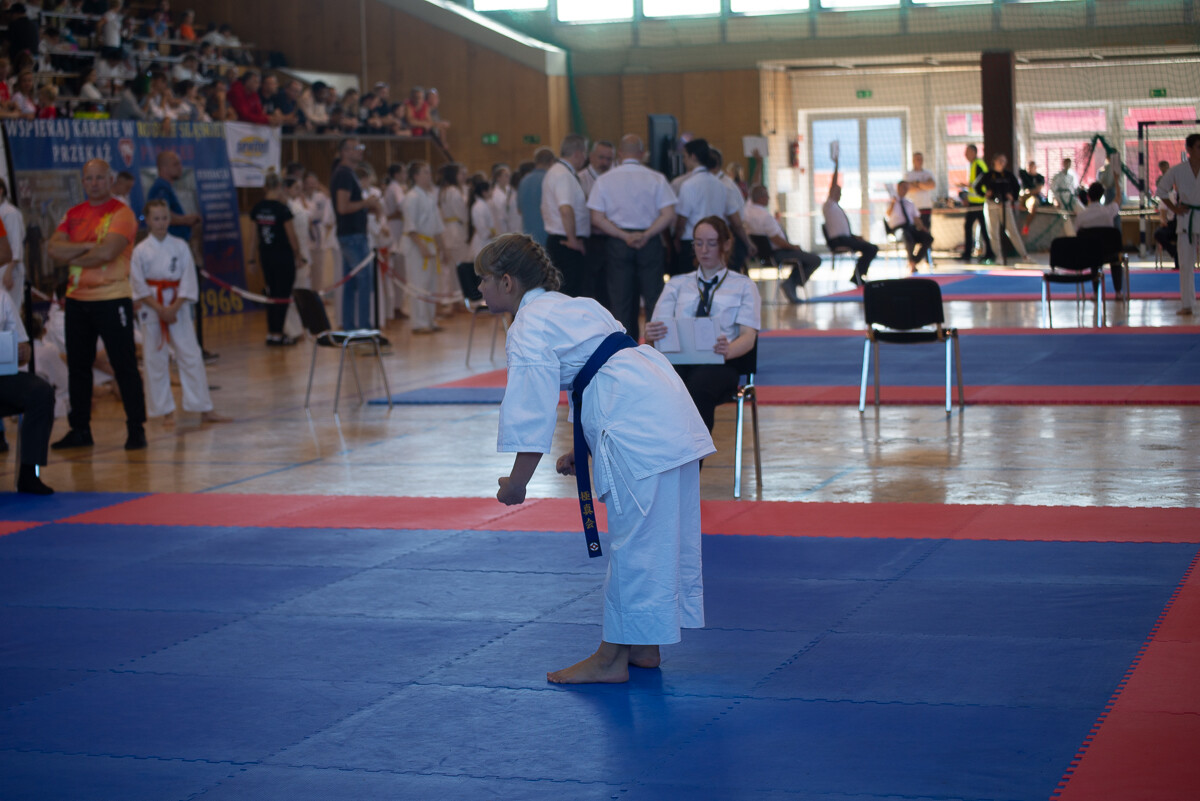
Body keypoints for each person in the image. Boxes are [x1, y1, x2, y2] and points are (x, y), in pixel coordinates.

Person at [476, 232, 714, 684]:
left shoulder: (528, 326)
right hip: (660, 407)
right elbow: (599, 369)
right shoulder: (576, 305)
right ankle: (644, 645)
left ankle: (610, 659)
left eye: (483, 279)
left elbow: (533, 408)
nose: (480, 289)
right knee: (659, 532)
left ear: (506, 281)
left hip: (637, 423)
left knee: (636, 535)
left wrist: (516, 483)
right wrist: (582, 449)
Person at [47, 159, 147, 451]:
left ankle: (135, 428)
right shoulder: (73, 213)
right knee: (78, 366)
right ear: (83, 181)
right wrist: (88, 247)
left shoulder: (122, 214)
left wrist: (73, 254)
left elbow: (107, 253)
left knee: (124, 363)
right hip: (77, 301)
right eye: (88, 178)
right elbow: (52, 248)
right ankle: (80, 429)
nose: (93, 183)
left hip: (112, 297)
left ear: (110, 179)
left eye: (99, 178)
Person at [645, 216, 761, 434]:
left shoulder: (743, 286)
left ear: (726, 245)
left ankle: (691, 460)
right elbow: (658, 330)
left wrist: (729, 350)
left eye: (711, 243)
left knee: (698, 385)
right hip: (680, 360)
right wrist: (650, 334)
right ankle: (664, 451)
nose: (704, 250)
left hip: (721, 364)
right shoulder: (677, 284)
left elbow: (748, 337)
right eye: (698, 243)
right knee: (661, 381)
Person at [130, 200, 227, 426]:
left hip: (178, 306)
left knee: (191, 355)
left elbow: (188, 279)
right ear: (148, 220)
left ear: (170, 220)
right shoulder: (140, 251)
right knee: (155, 360)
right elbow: (138, 285)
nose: (161, 223)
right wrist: (160, 309)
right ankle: (165, 411)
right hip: (151, 307)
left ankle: (204, 408)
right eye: (156, 218)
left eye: (165, 218)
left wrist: (173, 307)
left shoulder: (180, 245)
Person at [587, 134, 677, 339]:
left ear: (620, 153)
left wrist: (623, 235)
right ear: (642, 153)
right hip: (650, 240)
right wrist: (647, 234)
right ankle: (658, 349)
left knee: (621, 301)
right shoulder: (656, 178)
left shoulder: (604, 180)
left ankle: (626, 350)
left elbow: (596, 218)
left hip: (618, 242)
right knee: (654, 298)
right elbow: (669, 214)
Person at [0, 287, 56, 494]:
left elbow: (24, 351)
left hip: (2, 376)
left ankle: (29, 473)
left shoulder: (2, 297)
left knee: (40, 392)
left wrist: (23, 350)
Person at [331, 136, 382, 330]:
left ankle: (351, 328)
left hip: (351, 234)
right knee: (364, 282)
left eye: (361, 147)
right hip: (352, 236)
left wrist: (367, 208)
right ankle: (364, 329)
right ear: (344, 152)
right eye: (355, 147)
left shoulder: (348, 173)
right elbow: (343, 207)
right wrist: (366, 203)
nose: (360, 150)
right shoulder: (344, 174)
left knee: (351, 283)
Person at [247, 172, 303, 345]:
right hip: (283, 258)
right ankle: (278, 334)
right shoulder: (282, 209)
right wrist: (298, 255)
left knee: (271, 295)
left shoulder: (257, 208)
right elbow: (291, 235)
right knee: (282, 295)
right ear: (279, 187)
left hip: (266, 257)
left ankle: (272, 333)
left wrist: (251, 260)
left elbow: (253, 237)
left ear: (265, 187)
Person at [673, 139, 741, 277]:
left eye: (685, 157)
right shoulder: (720, 184)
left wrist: (676, 239)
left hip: (692, 241)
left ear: (693, 157)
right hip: (716, 240)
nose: (684, 161)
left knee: (692, 283)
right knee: (713, 278)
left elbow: (682, 218)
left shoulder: (689, 185)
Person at [743, 185, 820, 302]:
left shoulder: (747, 211)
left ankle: (791, 283)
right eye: (767, 195)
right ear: (761, 198)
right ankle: (791, 283)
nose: (769, 198)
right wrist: (792, 247)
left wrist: (758, 166)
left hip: (763, 254)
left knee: (805, 257)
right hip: (777, 253)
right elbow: (776, 239)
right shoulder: (764, 216)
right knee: (814, 259)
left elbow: (755, 183)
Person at [541, 133, 592, 298]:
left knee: (566, 292)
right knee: (570, 294)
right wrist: (573, 240)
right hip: (566, 243)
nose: (585, 157)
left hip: (561, 241)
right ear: (577, 153)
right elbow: (565, 209)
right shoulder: (562, 174)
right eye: (585, 153)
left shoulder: (557, 171)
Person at [401, 161, 447, 334]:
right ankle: (419, 323)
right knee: (418, 284)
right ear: (415, 176)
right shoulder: (411, 197)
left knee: (431, 285)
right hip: (416, 246)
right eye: (425, 173)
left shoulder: (429, 196)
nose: (429, 176)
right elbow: (410, 225)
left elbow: (437, 226)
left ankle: (429, 320)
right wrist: (421, 246)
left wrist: (443, 248)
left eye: (429, 172)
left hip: (430, 244)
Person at [1157, 133, 1200, 316]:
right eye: (1199, 147)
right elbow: (1161, 191)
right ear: (1188, 150)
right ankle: (1187, 305)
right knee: (1185, 264)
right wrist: (1174, 209)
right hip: (1186, 218)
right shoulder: (1177, 170)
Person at [823, 155, 878, 286]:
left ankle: (858, 275)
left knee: (871, 248)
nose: (840, 195)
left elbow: (843, 230)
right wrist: (836, 165)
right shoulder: (829, 206)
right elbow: (833, 184)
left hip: (845, 238)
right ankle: (857, 276)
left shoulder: (837, 207)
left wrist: (855, 237)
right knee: (870, 249)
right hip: (838, 241)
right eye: (838, 192)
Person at [1074, 181, 1125, 294]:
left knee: (1093, 256)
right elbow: (1118, 200)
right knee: (1116, 259)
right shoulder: (1108, 211)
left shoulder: (1081, 216)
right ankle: (1118, 292)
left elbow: (1077, 234)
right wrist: (1117, 181)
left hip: (1089, 254)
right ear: (1102, 195)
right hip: (1109, 253)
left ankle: (1096, 293)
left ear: (1088, 196)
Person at [980, 153, 1030, 263]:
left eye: (1004, 161)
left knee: (1012, 230)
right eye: (1000, 161)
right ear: (994, 161)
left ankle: (1024, 255)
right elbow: (977, 186)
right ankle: (998, 256)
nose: (1002, 163)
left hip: (1005, 205)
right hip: (992, 205)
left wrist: (1013, 197)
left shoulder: (1008, 175)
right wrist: (985, 194)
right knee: (993, 232)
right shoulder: (988, 175)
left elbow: (1016, 187)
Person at [887, 181, 934, 274]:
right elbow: (888, 214)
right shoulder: (891, 201)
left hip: (910, 227)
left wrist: (922, 227)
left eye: (906, 188)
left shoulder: (909, 203)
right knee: (906, 236)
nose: (905, 190)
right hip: (898, 228)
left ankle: (913, 261)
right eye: (903, 187)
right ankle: (911, 262)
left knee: (928, 238)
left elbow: (916, 217)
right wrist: (893, 203)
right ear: (898, 187)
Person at [958, 143, 995, 263]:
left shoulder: (979, 164)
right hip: (975, 201)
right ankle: (987, 252)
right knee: (981, 228)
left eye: (968, 152)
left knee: (971, 226)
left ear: (974, 152)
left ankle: (971, 253)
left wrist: (967, 186)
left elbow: (980, 183)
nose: (965, 155)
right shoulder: (973, 165)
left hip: (979, 202)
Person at [518, 147, 555, 246]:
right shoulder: (550, 179)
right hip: (547, 236)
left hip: (528, 237)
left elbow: (519, 210)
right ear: (551, 162)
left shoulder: (524, 181)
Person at [0, 178, 26, 315]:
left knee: (11, 312)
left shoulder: (10, 213)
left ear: (1, 190)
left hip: (10, 268)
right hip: (2, 267)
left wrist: (9, 271)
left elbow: (15, 245)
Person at [1155, 159, 1179, 270]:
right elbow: (1163, 211)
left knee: (1159, 233)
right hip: (1174, 224)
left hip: (1179, 225)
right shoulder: (1170, 194)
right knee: (1159, 233)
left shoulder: (1186, 196)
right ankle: (1174, 253)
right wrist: (1163, 220)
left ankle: (1177, 255)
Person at [903, 152, 937, 229]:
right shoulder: (908, 174)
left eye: (921, 159)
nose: (919, 161)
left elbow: (932, 185)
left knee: (926, 230)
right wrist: (924, 185)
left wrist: (916, 183)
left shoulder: (928, 173)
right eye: (917, 159)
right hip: (913, 207)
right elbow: (908, 188)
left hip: (925, 206)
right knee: (913, 230)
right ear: (913, 160)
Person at [467, 179, 495, 262]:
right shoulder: (478, 206)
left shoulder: (484, 204)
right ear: (484, 192)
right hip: (482, 241)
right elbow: (481, 227)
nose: (492, 192)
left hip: (486, 240)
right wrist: (491, 234)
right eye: (490, 189)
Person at [1018, 160, 1046, 234]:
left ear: (1035, 167)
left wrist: (1029, 192)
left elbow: (1038, 190)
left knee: (1033, 204)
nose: (1029, 169)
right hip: (1023, 197)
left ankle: (1026, 226)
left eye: (1031, 167)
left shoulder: (1040, 177)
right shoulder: (1023, 174)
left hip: (1033, 197)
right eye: (1028, 167)